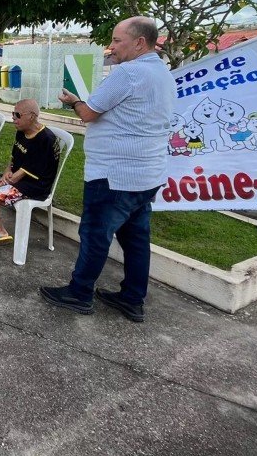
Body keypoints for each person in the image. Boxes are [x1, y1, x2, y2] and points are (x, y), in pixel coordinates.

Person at [41, 16, 176, 323]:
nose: (111, 46)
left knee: (94, 235)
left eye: (117, 40)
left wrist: (75, 101)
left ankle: (79, 293)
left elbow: (89, 113)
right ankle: (132, 298)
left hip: (115, 175)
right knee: (136, 239)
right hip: (147, 175)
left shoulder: (128, 73)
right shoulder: (163, 74)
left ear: (139, 42)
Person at [0, 99, 59, 259]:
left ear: (31, 116)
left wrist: (0, 185)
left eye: (17, 115)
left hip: (35, 186)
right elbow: (13, 159)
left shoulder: (46, 139)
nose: (13, 118)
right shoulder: (21, 131)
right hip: (19, 180)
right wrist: (5, 173)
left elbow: (23, 174)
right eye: (12, 114)